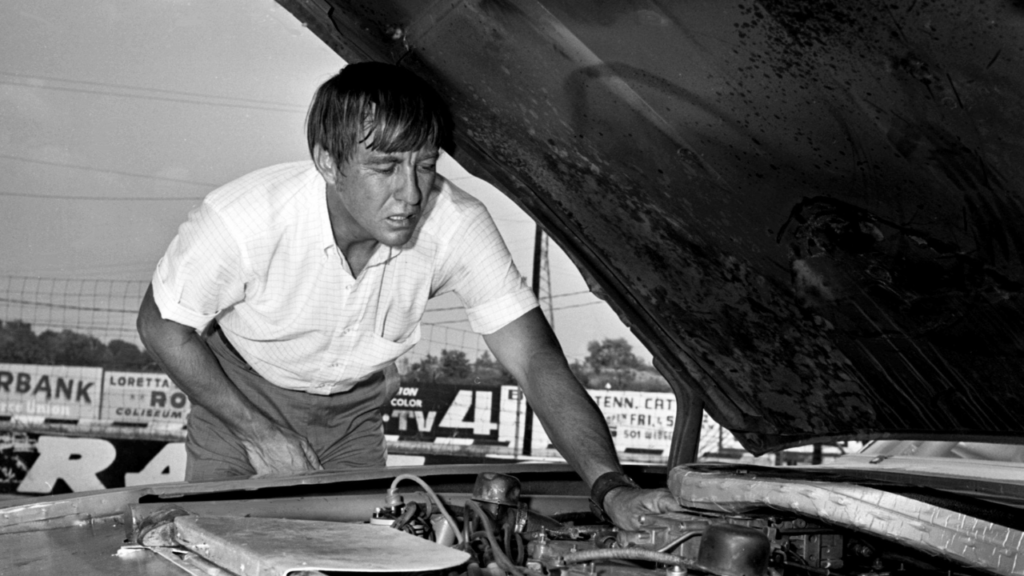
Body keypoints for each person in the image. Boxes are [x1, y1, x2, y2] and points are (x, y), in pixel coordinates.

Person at [137, 61, 678, 530]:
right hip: (240, 399)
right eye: (385, 167)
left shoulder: (458, 224)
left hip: (353, 415)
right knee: (212, 550)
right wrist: (257, 432)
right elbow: (161, 325)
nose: (411, 194)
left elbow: (535, 360)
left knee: (353, 557)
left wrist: (610, 485)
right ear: (328, 162)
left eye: (424, 165)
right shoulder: (245, 218)